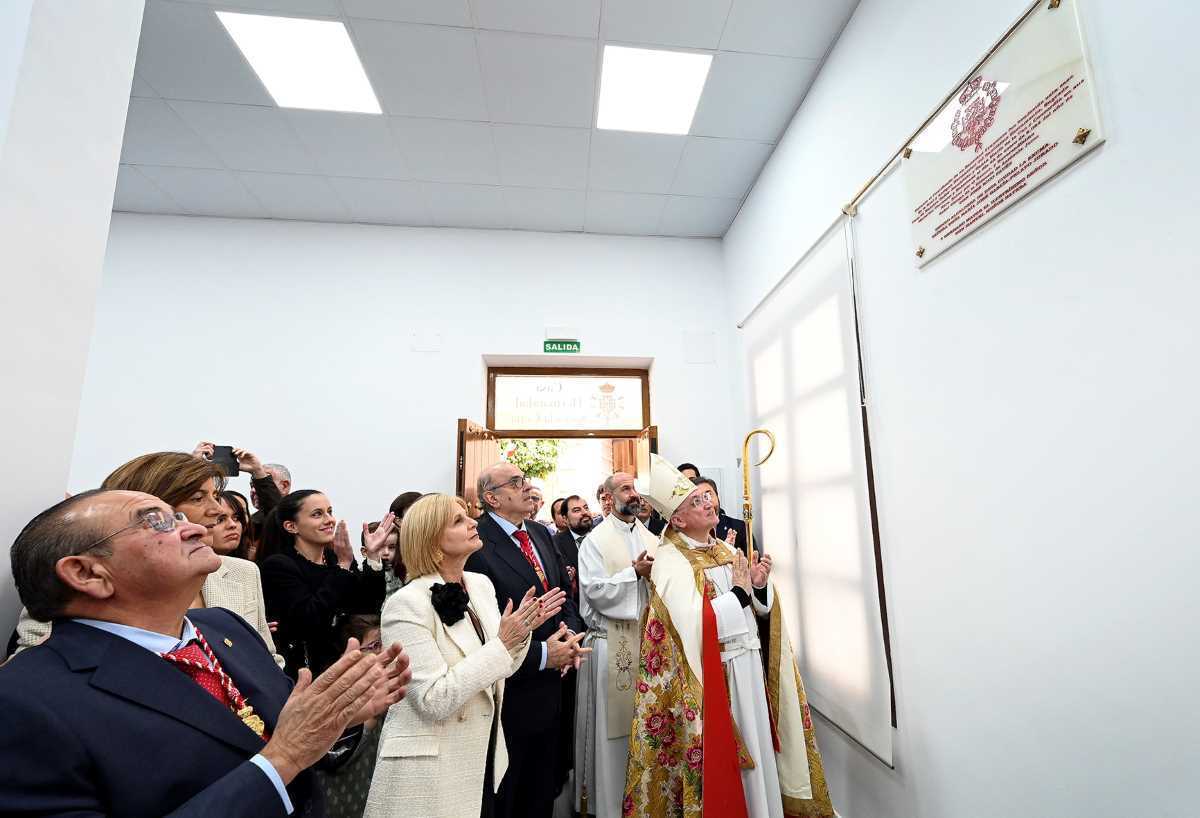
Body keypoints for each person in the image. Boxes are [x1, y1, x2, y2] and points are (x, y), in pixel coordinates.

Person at [0, 489, 410, 817]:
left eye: (178, 515)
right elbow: (284, 747)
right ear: (87, 573)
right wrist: (282, 758)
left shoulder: (223, 627)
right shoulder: (25, 703)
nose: (195, 528)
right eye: (156, 522)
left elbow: (278, 730)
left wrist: (336, 714)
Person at [625, 456, 834, 818]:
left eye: (706, 498)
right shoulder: (671, 562)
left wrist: (758, 589)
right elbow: (692, 627)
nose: (708, 503)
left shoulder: (723, 549)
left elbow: (756, 613)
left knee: (760, 755)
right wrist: (737, 595)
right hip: (716, 681)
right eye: (696, 502)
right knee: (733, 769)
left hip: (748, 670)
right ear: (677, 519)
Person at [365, 495, 566, 818]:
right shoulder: (406, 604)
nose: (474, 522)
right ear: (431, 540)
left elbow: (503, 667)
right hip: (432, 764)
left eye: (467, 516)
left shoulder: (480, 584)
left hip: (483, 753)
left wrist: (524, 632)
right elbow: (433, 699)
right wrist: (504, 642)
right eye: (458, 521)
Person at [13, 451, 282, 667]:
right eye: (198, 498)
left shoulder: (241, 574)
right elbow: (38, 678)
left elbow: (267, 662)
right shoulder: (77, 587)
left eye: (215, 496)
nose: (216, 510)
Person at [464, 462, 589, 818]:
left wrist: (570, 636)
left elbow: (563, 593)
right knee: (509, 792)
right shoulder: (477, 541)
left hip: (554, 681)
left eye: (524, 480)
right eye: (515, 482)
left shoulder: (539, 532)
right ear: (492, 497)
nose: (525, 486)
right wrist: (543, 653)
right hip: (511, 688)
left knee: (542, 786)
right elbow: (484, 624)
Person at [574, 472, 661, 818]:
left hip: (648, 645)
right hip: (611, 644)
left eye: (635, 488)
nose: (634, 494)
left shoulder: (650, 537)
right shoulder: (595, 540)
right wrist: (633, 574)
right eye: (625, 488)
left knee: (645, 727)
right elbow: (594, 591)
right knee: (614, 738)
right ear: (609, 498)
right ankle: (610, 806)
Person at [260, 490, 390, 679]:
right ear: (291, 526)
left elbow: (367, 605)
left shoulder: (334, 557)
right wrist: (343, 567)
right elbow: (309, 619)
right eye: (317, 514)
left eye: (330, 511)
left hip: (345, 667)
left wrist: (372, 556)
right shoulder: (279, 565)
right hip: (306, 674)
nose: (329, 519)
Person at [693, 475, 748, 554]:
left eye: (708, 495)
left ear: (717, 497)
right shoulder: (690, 532)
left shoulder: (739, 527)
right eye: (698, 500)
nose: (707, 503)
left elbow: (751, 561)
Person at [249, 461, 292, 541]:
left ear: (284, 486)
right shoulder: (247, 524)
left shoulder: (300, 517)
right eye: (252, 486)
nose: (253, 490)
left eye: (262, 483)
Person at [362, 519, 403, 597]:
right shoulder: (359, 576)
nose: (386, 552)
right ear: (364, 552)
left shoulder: (403, 575)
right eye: (379, 547)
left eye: (392, 547)